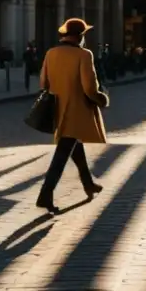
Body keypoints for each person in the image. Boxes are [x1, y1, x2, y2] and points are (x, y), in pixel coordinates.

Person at [36, 18, 108, 214]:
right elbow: (89, 87)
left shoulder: (51, 53)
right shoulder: (84, 55)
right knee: (62, 155)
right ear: (80, 36)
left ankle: (88, 183)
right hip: (77, 110)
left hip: (58, 109)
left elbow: (43, 82)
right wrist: (101, 99)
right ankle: (45, 195)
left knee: (75, 147)